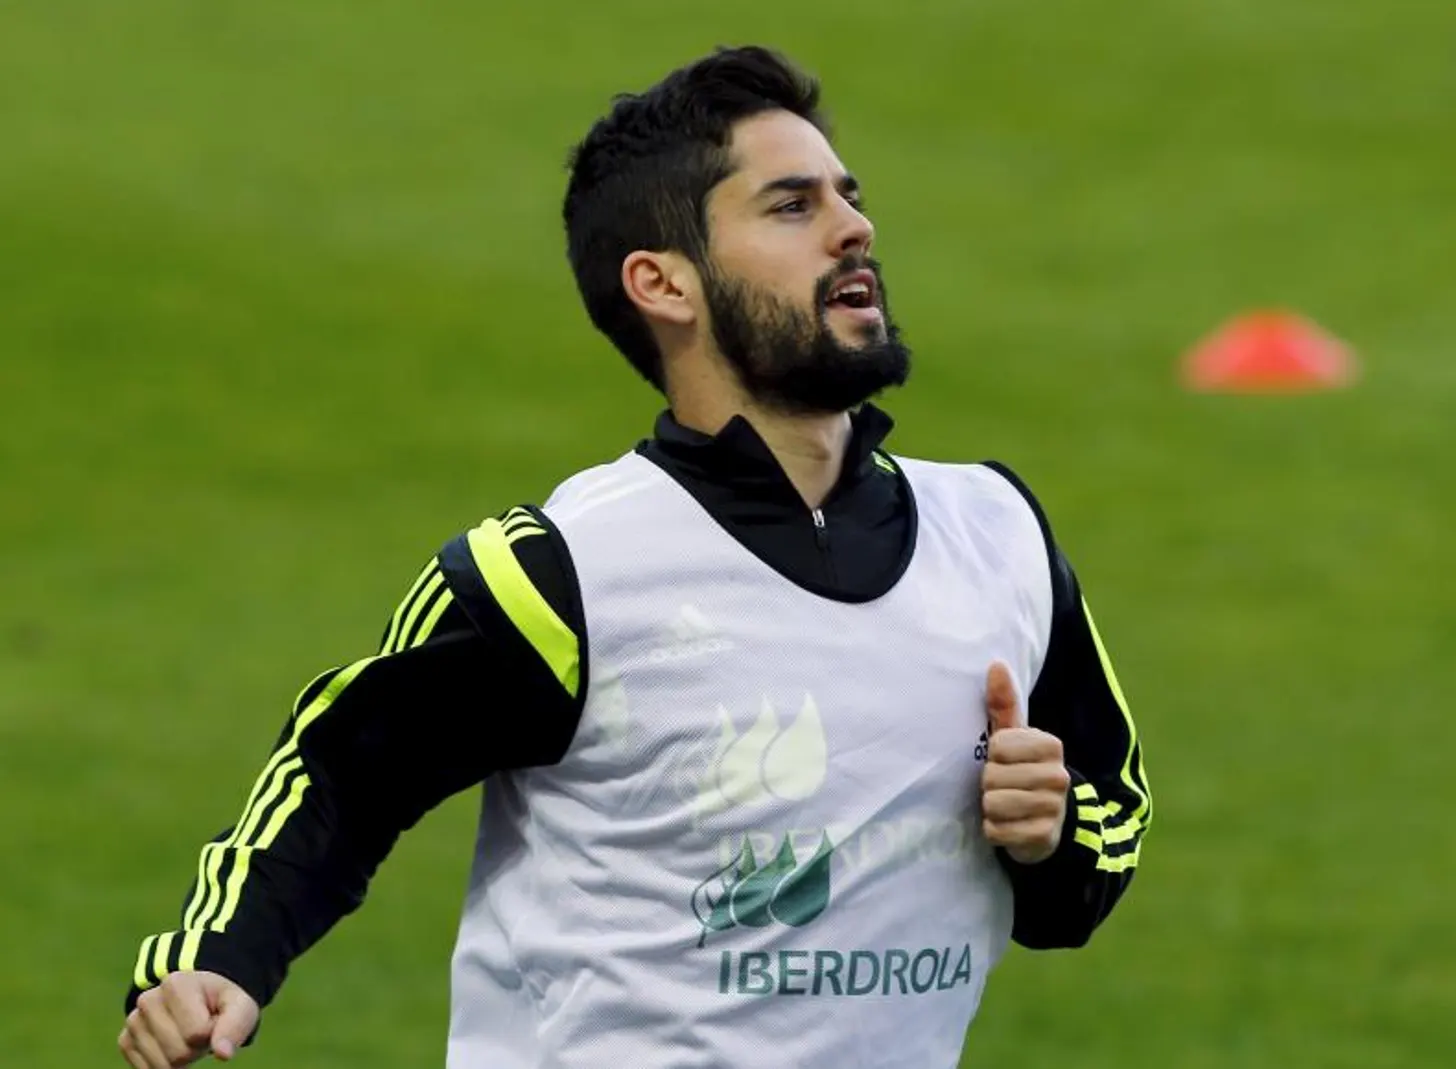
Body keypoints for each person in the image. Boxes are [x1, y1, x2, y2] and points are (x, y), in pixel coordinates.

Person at [117, 44, 1152, 1069]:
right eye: (792, 207)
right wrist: (217, 960)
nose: (854, 227)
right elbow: (343, 776)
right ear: (664, 284)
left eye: (847, 194)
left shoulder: (998, 533)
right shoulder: (563, 573)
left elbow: (1098, 844)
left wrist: (1047, 836)